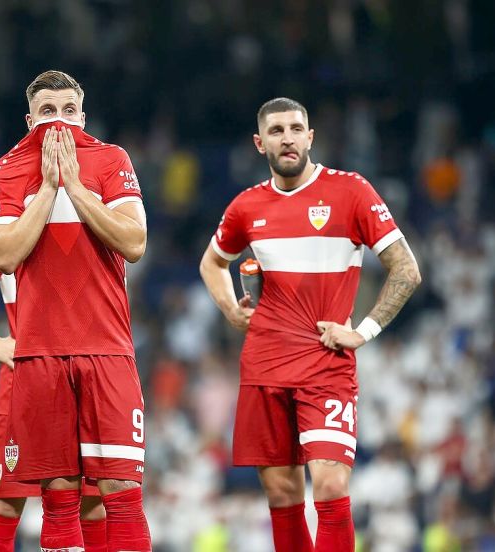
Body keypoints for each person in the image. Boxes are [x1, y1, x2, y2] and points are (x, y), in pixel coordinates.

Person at [199, 97, 422, 551]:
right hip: (264, 364)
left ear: (310, 137)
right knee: (282, 494)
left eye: (296, 128)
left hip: (326, 363)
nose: (288, 138)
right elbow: (212, 262)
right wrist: (230, 309)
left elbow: (406, 269)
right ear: (260, 143)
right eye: (277, 131)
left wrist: (364, 330)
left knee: (331, 486)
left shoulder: (351, 191)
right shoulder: (246, 207)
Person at [0, 70, 152, 552]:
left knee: (122, 493)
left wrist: (77, 189)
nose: (58, 122)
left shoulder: (111, 159)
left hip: (107, 350)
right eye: (46, 112)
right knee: (58, 498)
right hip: (41, 355)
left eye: (67, 111)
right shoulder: (7, 169)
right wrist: (48, 189)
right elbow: (4, 256)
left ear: (83, 115)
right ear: (29, 118)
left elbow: (136, 242)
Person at [0, 233, 108, 551]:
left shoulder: (85, 227)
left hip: (82, 379)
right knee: (6, 502)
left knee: (92, 505)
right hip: (24, 382)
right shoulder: (9, 232)